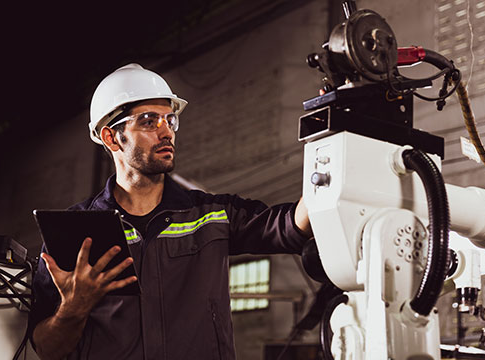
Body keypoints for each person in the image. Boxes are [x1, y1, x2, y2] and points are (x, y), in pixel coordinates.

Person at [28, 63, 312, 360]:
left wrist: (333, 139)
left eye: (170, 120)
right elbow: (47, 349)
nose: (167, 133)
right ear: (112, 137)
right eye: (149, 122)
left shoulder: (212, 215)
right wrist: (73, 310)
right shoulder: (74, 233)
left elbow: (293, 226)